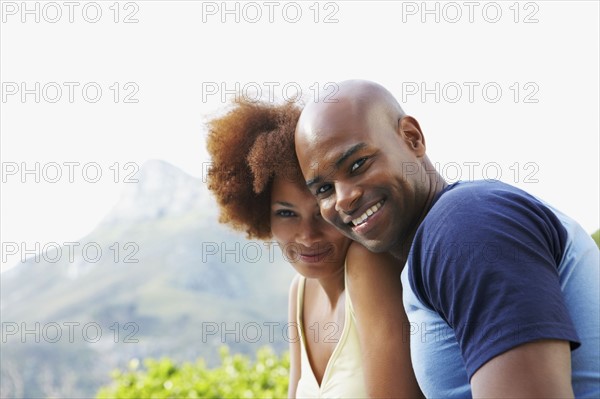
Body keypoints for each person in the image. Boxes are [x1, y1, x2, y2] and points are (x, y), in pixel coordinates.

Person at [295, 79, 600, 398]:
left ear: (411, 139)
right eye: (324, 190)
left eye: (358, 164)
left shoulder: (465, 225)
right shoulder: (441, 238)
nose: (343, 199)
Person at [205, 98, 423, 398]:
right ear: (261, 215)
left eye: (321, 212)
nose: (307, 236)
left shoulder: (367, 264)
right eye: (286, 213)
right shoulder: (301, 291)